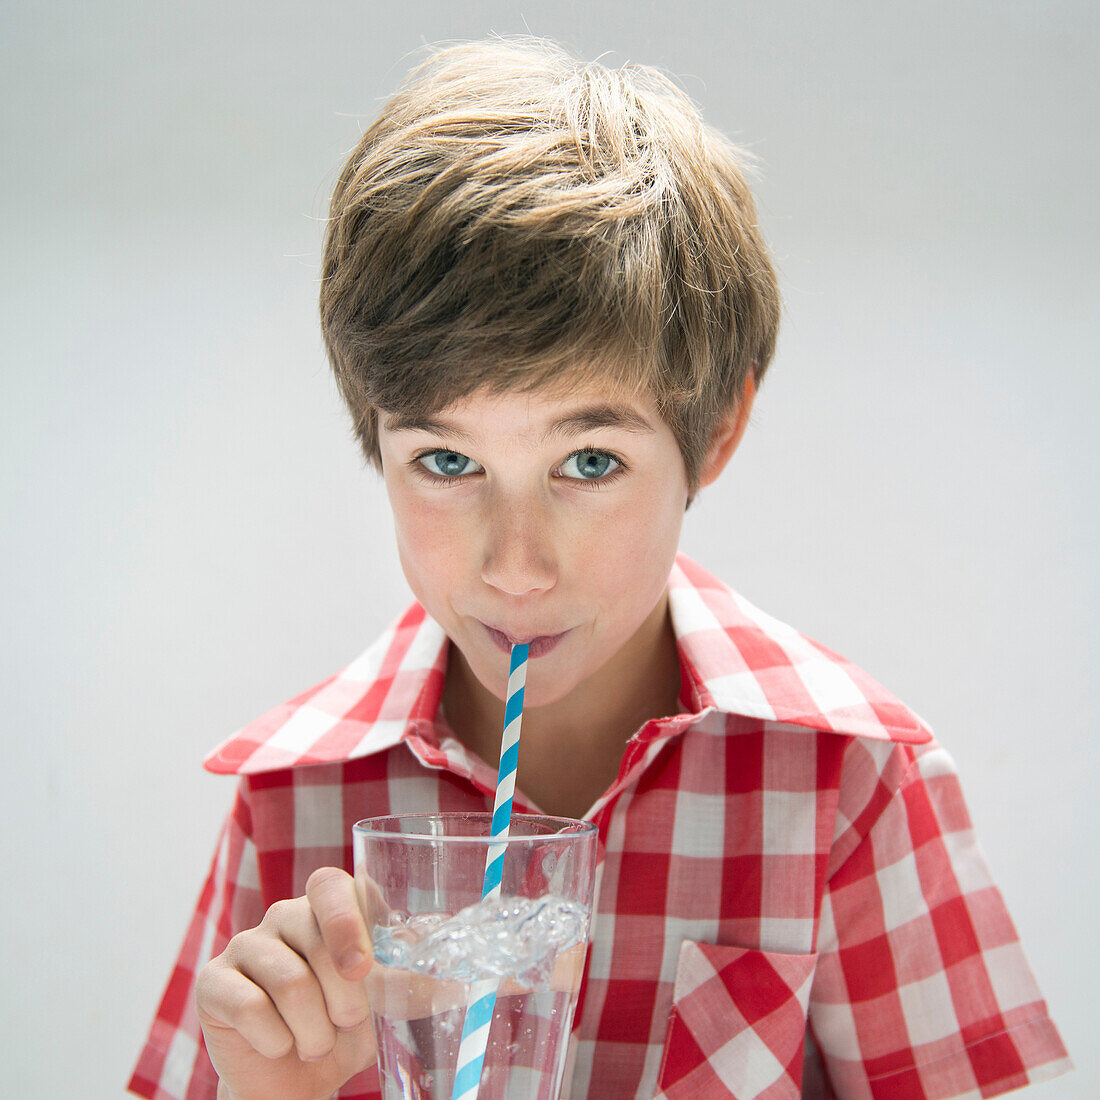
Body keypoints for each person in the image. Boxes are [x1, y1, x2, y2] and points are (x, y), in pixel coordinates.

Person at [128, 34, 1070, 1100]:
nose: (515, 566)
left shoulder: (846, 783)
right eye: (446, 460)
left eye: (588, 460)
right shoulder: (290, 802)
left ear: (714, 432)